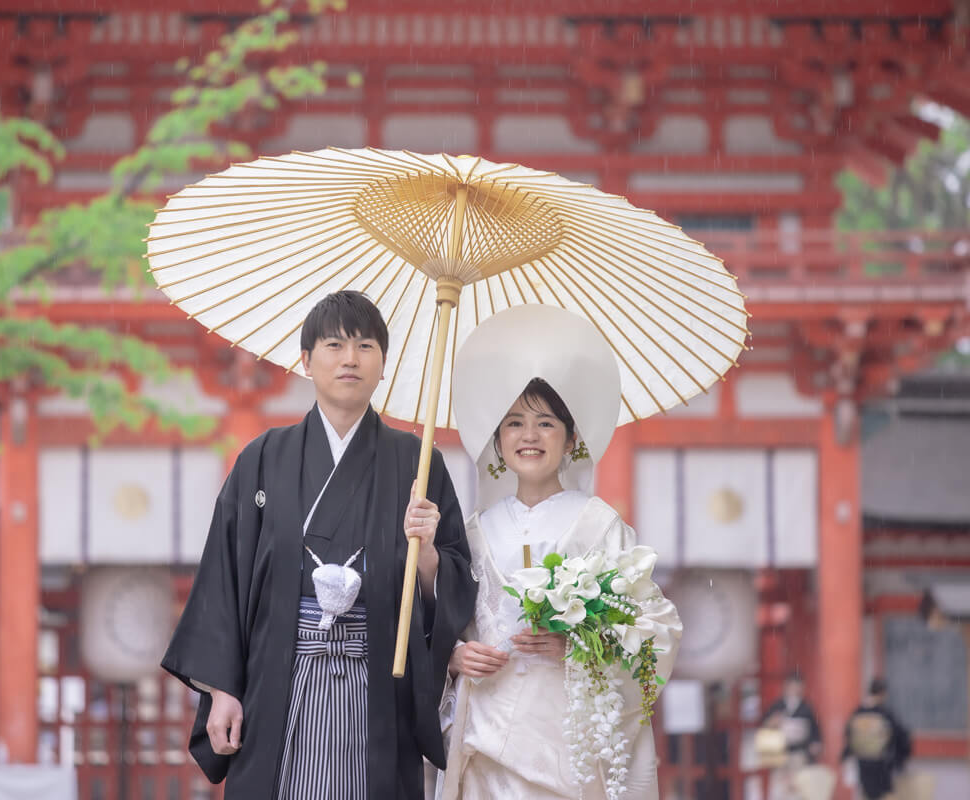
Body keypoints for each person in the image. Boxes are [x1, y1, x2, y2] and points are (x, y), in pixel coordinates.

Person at [161, 290, 476, 800]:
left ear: (383, 366)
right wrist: (222, 689)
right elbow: (224, 578)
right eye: (334, 345)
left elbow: (455, 579)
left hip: (378, 685)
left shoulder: (417, 463)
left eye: (365, 346)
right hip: (277, 679)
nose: (350, 359)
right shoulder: (263, 458)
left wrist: (429, 554)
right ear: (306, 361)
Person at [435, 305, 682, 800]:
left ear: (571, 440)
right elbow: (446, 621)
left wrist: (580, 648)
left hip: (570, 736)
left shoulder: (599, 524)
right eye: (514, 422)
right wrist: (454, 656)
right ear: (498, 440)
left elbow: (657, 630)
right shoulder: (474, 532)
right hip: (486, 729)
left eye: (545, 423)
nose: (529, 435)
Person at [842, 678, 912, 800]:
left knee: (866, 794)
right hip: (880, 763)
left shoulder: (858, 712)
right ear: (882, 693)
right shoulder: (884, 713)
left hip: (862, 762)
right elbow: (900, 736)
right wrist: (900, 758)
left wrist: (847, 755)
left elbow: (849, 736)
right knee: (880, 795)